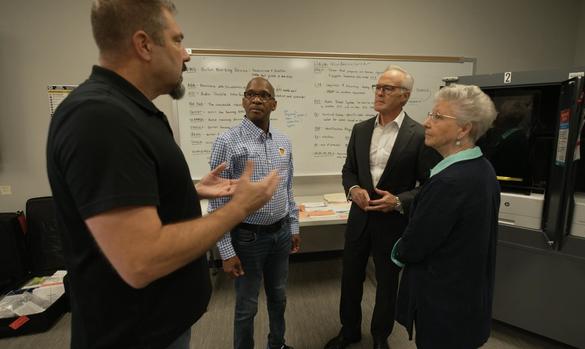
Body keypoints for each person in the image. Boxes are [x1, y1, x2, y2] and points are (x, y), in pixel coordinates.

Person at [46, 1, 279, 348]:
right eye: (177, 40)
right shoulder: (100, 117)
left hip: (159, 324)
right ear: (143, 45)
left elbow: (131, 191)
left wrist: (191, 191)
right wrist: (238, 208)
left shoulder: (135, 112)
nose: (186, 55)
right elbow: (141, 259)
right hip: (134, 335)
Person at [324, 65, 441, 349]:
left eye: (387, 88)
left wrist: (399, 200)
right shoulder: (361, 129)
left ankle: (380, 337)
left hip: (393, 223)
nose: (379, 92)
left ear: (405, 96)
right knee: (350, 279)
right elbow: (348, 170)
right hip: (359, 219)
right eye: (377, 87)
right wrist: (353, 190)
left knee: (387, 285)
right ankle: (349, 330)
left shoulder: (418, 134)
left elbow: (429, 184)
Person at [391, 84, 500, 349]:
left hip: (443, 303)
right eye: (431, 114)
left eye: (438, 117)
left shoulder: (449, 182)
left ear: (464, 129)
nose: (427, 123)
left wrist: (397, 251)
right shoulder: (482, 169)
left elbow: (416, 245)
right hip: (466, 300)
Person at [208, 77, 300, 349]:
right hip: (247, 239)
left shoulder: (284, 140)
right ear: (243, 100)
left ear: (274, 103)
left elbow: (287, 185)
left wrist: (293, 226)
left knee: (279, 298)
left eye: (263, 95)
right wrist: (225, 250)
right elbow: (217, 201)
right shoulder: (227, 141)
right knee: (246, 307)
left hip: (281, 234)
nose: (256, 99)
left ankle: (278, 345)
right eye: (250, 94)